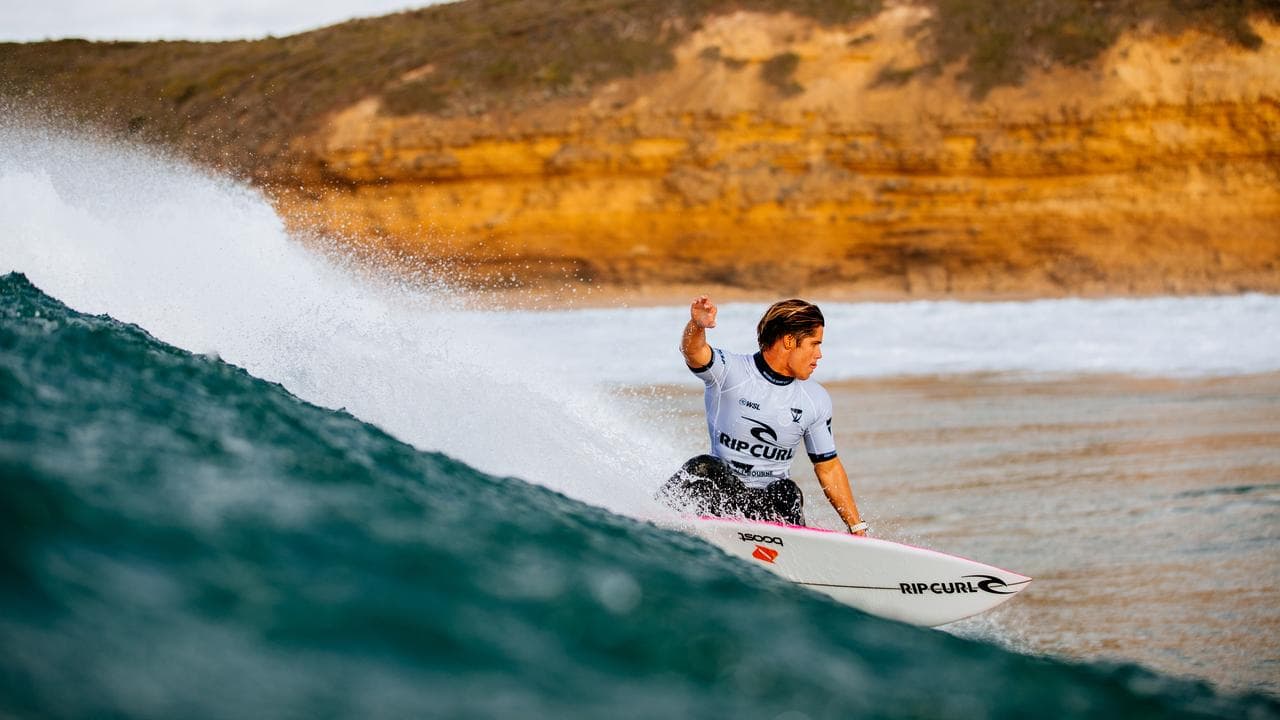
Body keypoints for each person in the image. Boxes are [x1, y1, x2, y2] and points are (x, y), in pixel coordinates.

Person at [658, 296, 867, 535]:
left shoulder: (815, 399)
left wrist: (857, 527)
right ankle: (651, 524)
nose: (819, 355)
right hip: (720, 494)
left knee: (787, 491)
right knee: (704, 467)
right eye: (814, 344)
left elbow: (828, 467)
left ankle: (791, 547)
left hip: (768, 507)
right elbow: (693, 352)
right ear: (789, 340)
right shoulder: (731, 372)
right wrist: (697, 326)